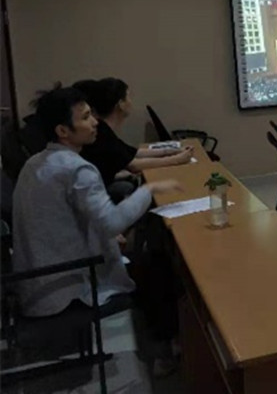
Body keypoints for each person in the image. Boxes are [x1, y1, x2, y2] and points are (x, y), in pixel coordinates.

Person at [12, 85, 181, 318]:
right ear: (63, 130)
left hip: (34, 286)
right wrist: (149, 189)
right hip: (66, 288)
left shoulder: (34, 163)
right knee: (163, 274)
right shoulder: (77, 169)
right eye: (85, 117)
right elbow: (112, 223)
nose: (95, 123)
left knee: (150, 259)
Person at [76, 78, 193, 200]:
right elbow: (134, 165)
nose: (131, 101)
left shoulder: (105, 130)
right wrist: (177, 160)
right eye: (128, 97)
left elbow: (133, 153)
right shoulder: (101, 132)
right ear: (121, 104)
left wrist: (174, 151)